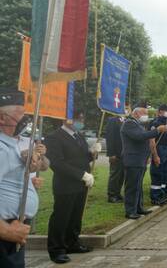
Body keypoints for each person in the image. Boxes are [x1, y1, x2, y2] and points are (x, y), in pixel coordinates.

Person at [44, 111, 101, 264]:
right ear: (66, 119)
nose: (80, 121)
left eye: (82, 118)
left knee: (76, 215)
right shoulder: (54, 138)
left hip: (82, 183)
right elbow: (57, 163)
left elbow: (82, 157)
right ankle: (57, 249)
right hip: (66, 184)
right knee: (62, 217)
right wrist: (81, 174)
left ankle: (72, 243)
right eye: (77, 119)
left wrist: (92, 153)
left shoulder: (78, 136)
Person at [0, 89, 41, 267]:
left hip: (16, 230)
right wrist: (5, 230)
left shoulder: (14, 144)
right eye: (20, 115)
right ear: (2, 118)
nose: (26, 120)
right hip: (6, 231)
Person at [121, 107, 167, 219]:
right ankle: (130, 211)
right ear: (136, 113)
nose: (146, 115)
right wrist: (157, 131)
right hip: (133, 160)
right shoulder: (129, 123)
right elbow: (140, 137)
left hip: (140, 159)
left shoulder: (138, 124)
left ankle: (138, 207)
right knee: (132, 186)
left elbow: (144, 139)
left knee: (138, 186)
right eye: (145, 113)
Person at [148, 104, 167, 206]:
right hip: (159, 149)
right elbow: (152, 141)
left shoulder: (166, 122)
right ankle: (155, 197)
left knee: (164, 173)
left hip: (166, 149)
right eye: (166, 111)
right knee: (157, 173)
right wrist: (155, 156)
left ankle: (162, 194)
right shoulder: (156, 123)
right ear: (160, 112)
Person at [105, 114, 126, 203]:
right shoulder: (112, 120)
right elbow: (109, 137)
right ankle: (112, 195)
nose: (127, 109)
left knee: (121, 175)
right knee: (115, 174)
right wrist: (111, 153)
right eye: (125, 107)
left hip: (124, 153)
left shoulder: (125, 120)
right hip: (116, 153)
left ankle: (117, 193)